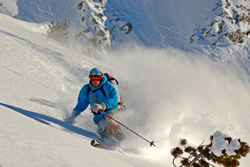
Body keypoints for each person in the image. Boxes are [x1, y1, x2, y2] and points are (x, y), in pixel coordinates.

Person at [68, 68, 125, 141]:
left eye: (97, 79)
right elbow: (81, 104)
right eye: (92, 79)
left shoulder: (107, 86)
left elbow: (113, 99)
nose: (95, 81)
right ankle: (109, 144)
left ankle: (122, 144)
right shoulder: (87, 89)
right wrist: (74, 115)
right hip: (99, 118)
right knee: (105, 133)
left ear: (101, 78)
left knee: (112, 126)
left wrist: (102, 106)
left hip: (113, 113)